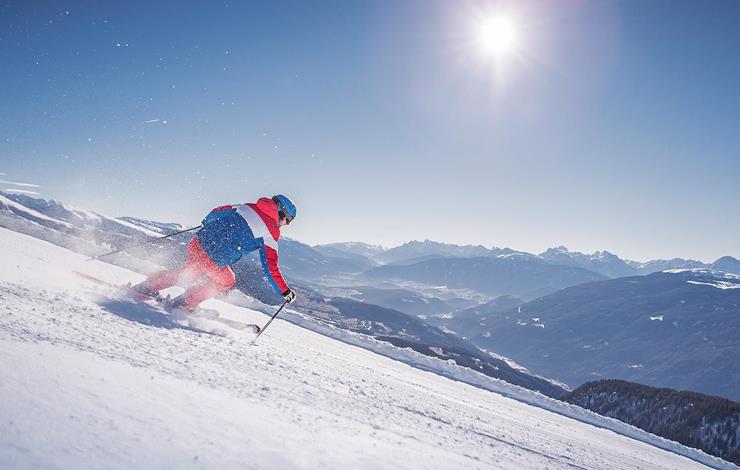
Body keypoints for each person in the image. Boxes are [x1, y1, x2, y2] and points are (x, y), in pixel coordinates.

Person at [133, 194, 297, 311]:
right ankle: (184, 303)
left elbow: (218, 211)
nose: (285, 225)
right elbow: (270, 267)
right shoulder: (270, 234)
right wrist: (284, 291)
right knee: (226, 280)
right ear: (281, 212)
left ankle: (148, 286)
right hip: (214, 258)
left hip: (198, 242)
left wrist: (207, 223)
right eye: (287, 220)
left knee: (190, 272)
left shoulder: (246, 206)